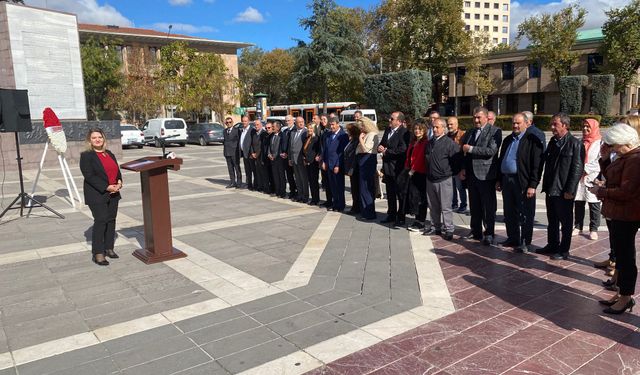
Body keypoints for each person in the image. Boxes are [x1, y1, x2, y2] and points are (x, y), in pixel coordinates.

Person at [590, 123, 640, 314]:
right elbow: (612, 176)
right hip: (619, 213)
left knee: (626, 258)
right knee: (620, 256)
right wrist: (604, 160)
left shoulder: (635, 159)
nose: (612, 149)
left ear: (625, 142)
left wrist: (601, 191)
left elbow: (626, 191)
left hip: (627, 214)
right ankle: (621, 293)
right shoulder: (626, 156)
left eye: (613, 145)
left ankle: (626, 297)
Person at [537, 113, 584, 260]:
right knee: (552, 220)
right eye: (551, 124)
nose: (552, 127)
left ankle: (564, 250)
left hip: (564, 190)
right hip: (551, 187)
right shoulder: (553, 142)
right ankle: (552, 244)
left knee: (565, 221)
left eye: (555, 124)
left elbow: (577, 169)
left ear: (565, 125)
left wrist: (570, 190)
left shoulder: (575, 144)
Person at [495, 113, 544, 253]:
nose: (515, 126)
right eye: (514, 123)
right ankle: (513, 238)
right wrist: (499, 179)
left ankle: (525, 242)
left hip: (522, 182)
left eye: (518, 123)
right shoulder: (508, 139)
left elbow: (537, 165)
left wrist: (532, 185)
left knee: (526, 213)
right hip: (507, 180)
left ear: (526, 124)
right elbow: (501, 159)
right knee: (509, 212)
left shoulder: (531, 140)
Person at [459, 106, 502, 245]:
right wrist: (464, 168)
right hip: (471, 175)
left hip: (486, 175)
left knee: (488, 206)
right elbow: (463, 150)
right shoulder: (471, 131)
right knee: (475, 205)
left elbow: (491, 151)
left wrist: (471, 149)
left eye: (479, 117)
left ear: (486, 117)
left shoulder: (495, 131)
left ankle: (489, 232)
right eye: (474, 117)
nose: (476, 120)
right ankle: (475, 231)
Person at [80, 128, 122, 266]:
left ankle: (109, 248)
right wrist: (106, 187)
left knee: (111, 220)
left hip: (114, 193)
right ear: (89, 141)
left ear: (104, 139)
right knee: (101, 220)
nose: (97, 139)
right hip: (97, 194)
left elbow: (116, 170)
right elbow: (89, 175)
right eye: (94, 138)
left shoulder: (109, 153)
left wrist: (119, 182)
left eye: (100, 137)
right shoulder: (86, 155)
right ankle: (98, 253)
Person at [424, 118, 460, 240]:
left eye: (437, 127)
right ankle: (435, 227)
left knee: (446, 207)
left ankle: (449, 229)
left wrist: (449, 173)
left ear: (443, 128)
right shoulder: (429, 143)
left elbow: (456, 161)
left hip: (444, 180)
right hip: (430, 179)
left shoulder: (450, 143)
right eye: (433, 127)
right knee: (433, 206)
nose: (434, 129)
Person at [573, 119, 602, 240]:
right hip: (579, 177)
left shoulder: (601, 143)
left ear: (594, 128)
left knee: (593, 204)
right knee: (579, 202)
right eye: (583, 126)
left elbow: (600, 161)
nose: (585, 129)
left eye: (588, 127)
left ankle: (593, 228)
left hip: (593, 177)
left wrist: (584, 168)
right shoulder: (580, 142)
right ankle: (578, 226)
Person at [378, 111, 409, 225]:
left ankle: (401, 217)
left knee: (400, 194)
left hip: (398, 168)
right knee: (390, 193)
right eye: (390, 118)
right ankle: (391, 214)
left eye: (392, 119)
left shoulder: (404, 132)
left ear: (399, 121)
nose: (389, 120)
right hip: (387, 168)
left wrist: (387, 151)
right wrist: (380, 147)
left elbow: (403, 149)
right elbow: (382, 143)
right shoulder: (387, 130)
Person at [401, 119, 428, 231]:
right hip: (412, 172)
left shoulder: (425, 142)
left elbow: (421, 157)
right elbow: (409, 156)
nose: (417, 131)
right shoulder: (414, 141)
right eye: (416, 129)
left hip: (420, 173)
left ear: (424, 130)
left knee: (421, 198)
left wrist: (413, 169)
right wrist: (407, 167)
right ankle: (417, 220)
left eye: (419, 129)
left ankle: (421, 221)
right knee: (414, 197)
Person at [322, 117, 349, 212]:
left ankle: (340, 204)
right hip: (329, 164)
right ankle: (335, 203)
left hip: (337, 165)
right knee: (332, 186)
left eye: (333, 124)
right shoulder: (329, 135)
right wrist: (324, 162)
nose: (331, 126)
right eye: (330, 125)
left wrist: (338, 165)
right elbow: (326, 150)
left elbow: (342, 152)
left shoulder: (343, 135)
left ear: (338, 124)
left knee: (339, 186)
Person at [356, 117, 380, 221]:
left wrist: (360, 139)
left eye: (361, 126)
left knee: (367, 187)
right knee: (363, 187)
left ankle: (369, 213)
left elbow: (366, 148)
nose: (360, 129)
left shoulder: (372, 134)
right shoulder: (367, 134)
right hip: (363, 160)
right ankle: (365, 211)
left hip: (368, 160)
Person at [447, 116, 467, 212]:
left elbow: (464, 153)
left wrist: (463, 168)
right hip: (450, 166)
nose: (449, 126)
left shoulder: (463, 135)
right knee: (452, 188)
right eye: (448, 124)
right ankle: (454, 203)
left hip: (459, 166)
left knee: (460, 187)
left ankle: (463, 204)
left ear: (457, 125)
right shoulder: (447, 135)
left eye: (451, 124)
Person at [289, 116, 309, 203]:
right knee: (297, 178)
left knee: (304, 178)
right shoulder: (293, 132)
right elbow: (290, 146)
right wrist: (290, 158)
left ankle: (305, 196)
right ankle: (300, 195)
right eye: (299, 122)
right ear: (295, 123)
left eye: (302, 121)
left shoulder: (306, 132)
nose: (301, 123)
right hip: (294, 159)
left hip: (301, 159)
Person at [343, 123, 362, 214]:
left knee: (355, 189)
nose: (347, 132)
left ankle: (356, 207)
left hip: (355, 169)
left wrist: (351, 169)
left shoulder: (356, 141)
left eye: (348, 130)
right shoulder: (351, 140)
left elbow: (355, 156)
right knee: (354, 189)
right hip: (350, 167)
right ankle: (355, 207)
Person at [239, 116, 259, 190]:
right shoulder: (242, 130)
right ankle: (249, 184)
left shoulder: (252, 130)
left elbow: (253, 143)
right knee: (247, 171)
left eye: (245, 121)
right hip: (245, 154)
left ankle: (256, 185)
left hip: (250, 154)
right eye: (243, 121)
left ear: (249, 121)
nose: (244, 122)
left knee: (254, 171)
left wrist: (252, 153)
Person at [280, 115, 297, 198]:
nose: (287, 122)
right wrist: (282, 152)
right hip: (285, 157)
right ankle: (292, 191)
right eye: (286, 121)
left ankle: (297, 191)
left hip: (292, 157)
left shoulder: (295, 130)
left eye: (289, 120)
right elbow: (282, 143)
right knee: (289, 176)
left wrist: (288, 153)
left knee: (296, 176)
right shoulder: (285, 131)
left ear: (293, 121)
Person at [304, 122, 321, 205]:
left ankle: (316, 199)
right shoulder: (308, 138)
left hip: (313, 163)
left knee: (314, 182)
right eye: (308, 128)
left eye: (311, 128)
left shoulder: (316, 138)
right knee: (310, 181)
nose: (309, 129)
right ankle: (313, 198)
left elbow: (317, 151)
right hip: (307, 162)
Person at [223, 116, 242, 188]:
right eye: (227, 122)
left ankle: (239, 182)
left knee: (237, 168)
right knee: (230, 168)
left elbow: (239, 141)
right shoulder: (224, 131)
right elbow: (225, 142)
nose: (228, 124)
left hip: (235, 153)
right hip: (227, 153)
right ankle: (232, 182)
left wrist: (239, 153)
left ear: (232, 122)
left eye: (230, 122)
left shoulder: (237, 130)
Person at [318, 114, 332, 207]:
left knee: (331, 183)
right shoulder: (323, 131)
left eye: (324, 119)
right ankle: (328, 200)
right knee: (326, 182)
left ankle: (332, 201)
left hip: (329, 161)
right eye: (321, 119)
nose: (323, 121)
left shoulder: (330, 131)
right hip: (323, 160)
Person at [269, 122, 286, 198]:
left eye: (273, 126)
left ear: (278, 128)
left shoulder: (282, 135)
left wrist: (275, 156)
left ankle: (282, 192)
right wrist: (269, 154)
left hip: (279, 159)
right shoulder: (272, 135)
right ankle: (277, 191)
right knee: (275, 176)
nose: (272, 128)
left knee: (281, 176)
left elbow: (281, 148)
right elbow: (270, 146)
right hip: (272, 159)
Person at [253, 120, 268, 193]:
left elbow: (261, 145)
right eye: (255, 125)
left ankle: (265, 187)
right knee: (258, 171)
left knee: (263, 172)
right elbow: (252, 144)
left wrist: (257, 154)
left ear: (261, 125)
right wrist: (253, 152)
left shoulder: (264, 133)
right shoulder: (254, 133)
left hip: (261, 156)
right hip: (255, 156)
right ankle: (260, 186)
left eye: (258, 125)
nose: (256, 126)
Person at [261, 121, 275, 194]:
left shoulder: (274, 135)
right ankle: (268, 188)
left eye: (269, 128)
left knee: (273, 175)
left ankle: (274, 189)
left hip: (273, 158)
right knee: (267, 175)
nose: (267, 129)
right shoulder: (264, 135)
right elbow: (262, 148)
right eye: (266, 128)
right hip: (266, 159)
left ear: (272, 128)